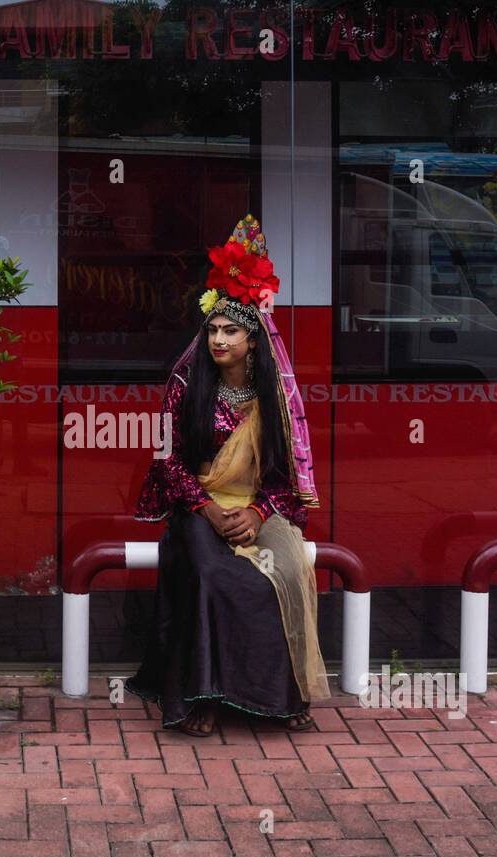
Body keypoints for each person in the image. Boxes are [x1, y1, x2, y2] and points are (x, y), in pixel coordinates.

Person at [126, 214, 330, 736]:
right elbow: (166, 460)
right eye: (212, 329)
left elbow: (283, 474)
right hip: (197, 507)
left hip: (257, 509)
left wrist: (258, 512)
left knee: (279, 576)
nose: (218, 339)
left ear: (253, 339)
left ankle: (280, 698)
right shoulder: (185, 385)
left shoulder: (273, 398)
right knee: (213, 577)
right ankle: (203, 697)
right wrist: (210, 510)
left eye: (230, 330)